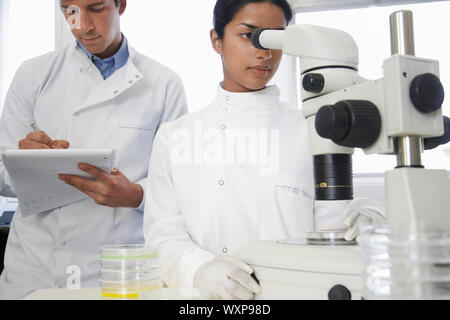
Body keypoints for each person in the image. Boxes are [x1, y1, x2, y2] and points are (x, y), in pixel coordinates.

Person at [143, 0, 384, 300]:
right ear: (216, 40)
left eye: (275, 38)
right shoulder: (175, 136)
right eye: (249, 35)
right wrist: (200, 269)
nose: (264, 53)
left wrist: (365, 220)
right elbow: (162, 235)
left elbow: (331, 228)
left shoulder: (310, 130)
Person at [0, 0, 187, 299]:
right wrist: (24, 163)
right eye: (69, 10)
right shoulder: (33, 74)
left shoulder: (164, 85)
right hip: (37, 267)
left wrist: (136, 195)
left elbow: (179, 184)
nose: (82, 25)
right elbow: (2, 176)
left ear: (121, 5)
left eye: (96, 8)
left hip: (118, 269)